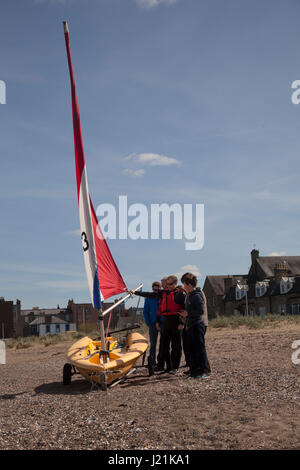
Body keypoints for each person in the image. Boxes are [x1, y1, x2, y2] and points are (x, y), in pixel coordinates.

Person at [131, 275, 185, 374]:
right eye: (167, 284)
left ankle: (175, 367)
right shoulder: (163, 293)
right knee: (164, 345)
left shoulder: (180, 294)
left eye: (170, 284)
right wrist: (135, 292)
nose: (168, 286)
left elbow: (185, 308)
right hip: (166, 321)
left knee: (176, 345)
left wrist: (182, 322)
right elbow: (149, 295)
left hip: (176, 320)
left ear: (176, 283)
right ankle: (168, 367)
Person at [179, 272, 210, 379]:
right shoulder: (190, 295)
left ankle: (204, 371)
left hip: (197, 324)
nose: (183, 286)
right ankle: (195, 370)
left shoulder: (196, 295)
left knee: (199, 349)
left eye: (184, 284)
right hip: (191, 324)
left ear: (189, 284)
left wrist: (188, 313)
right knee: (193, 349)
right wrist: (185, 316)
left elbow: (200, 310)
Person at [143, 281, 161, 367]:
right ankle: (152, 362)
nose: (155, 290)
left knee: (164, 343)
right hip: (152, 324)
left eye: (157, 289)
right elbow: (145, 312)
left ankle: (161, 362)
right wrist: (148, 323)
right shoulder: (148, 298)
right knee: (153, 344)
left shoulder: (162, 297)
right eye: (154, 289)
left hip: (162, 323)